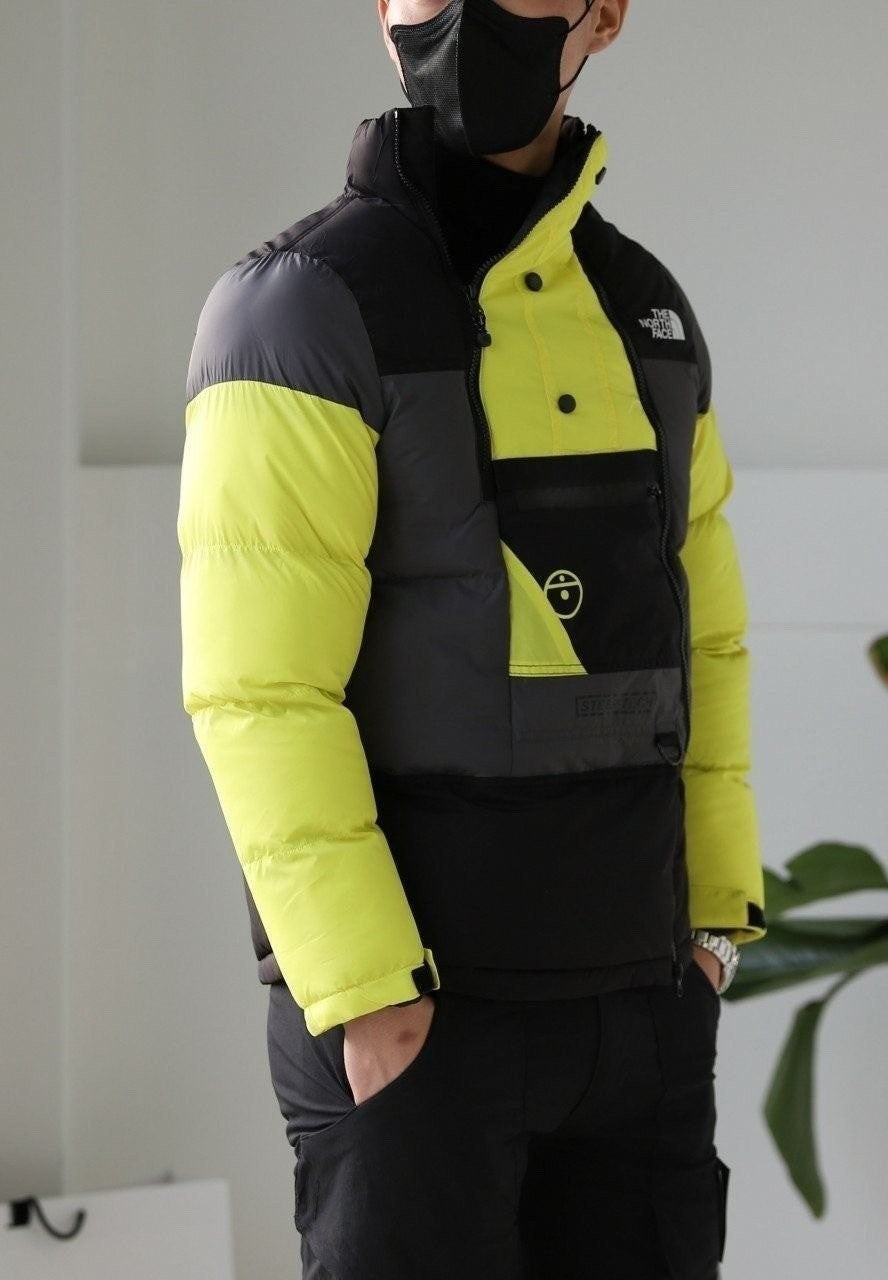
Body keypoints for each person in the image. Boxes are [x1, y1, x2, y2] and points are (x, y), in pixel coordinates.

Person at [177, 1, 766, 1276]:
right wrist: (369, 993)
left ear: (602, 16)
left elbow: (706, 640)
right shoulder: (297, 308)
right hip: (417, 1024)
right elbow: (258, 688)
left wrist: (711, 931)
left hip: (638, 1010)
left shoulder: (646, 312)